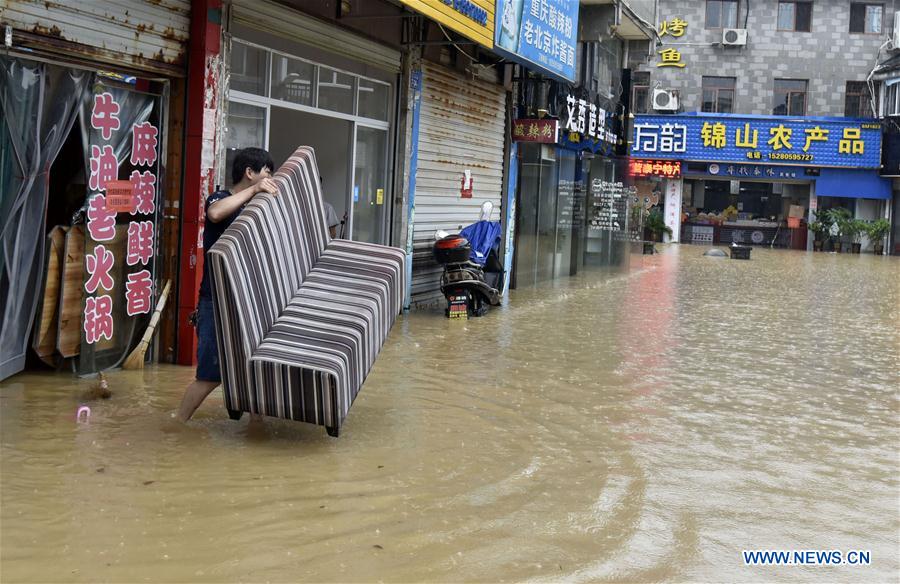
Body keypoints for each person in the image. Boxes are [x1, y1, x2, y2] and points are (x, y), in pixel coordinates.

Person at [177, 147, 277, 422]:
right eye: (267, 172)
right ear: (249, 173)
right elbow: (215, 213)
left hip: (249, 301)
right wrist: (254, 191)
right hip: (216, 301)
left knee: (255, 372)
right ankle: (175, 426)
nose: (270, 178)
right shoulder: (221, 198)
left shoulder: (256, 207)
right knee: (210, 375)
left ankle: (255, 433)